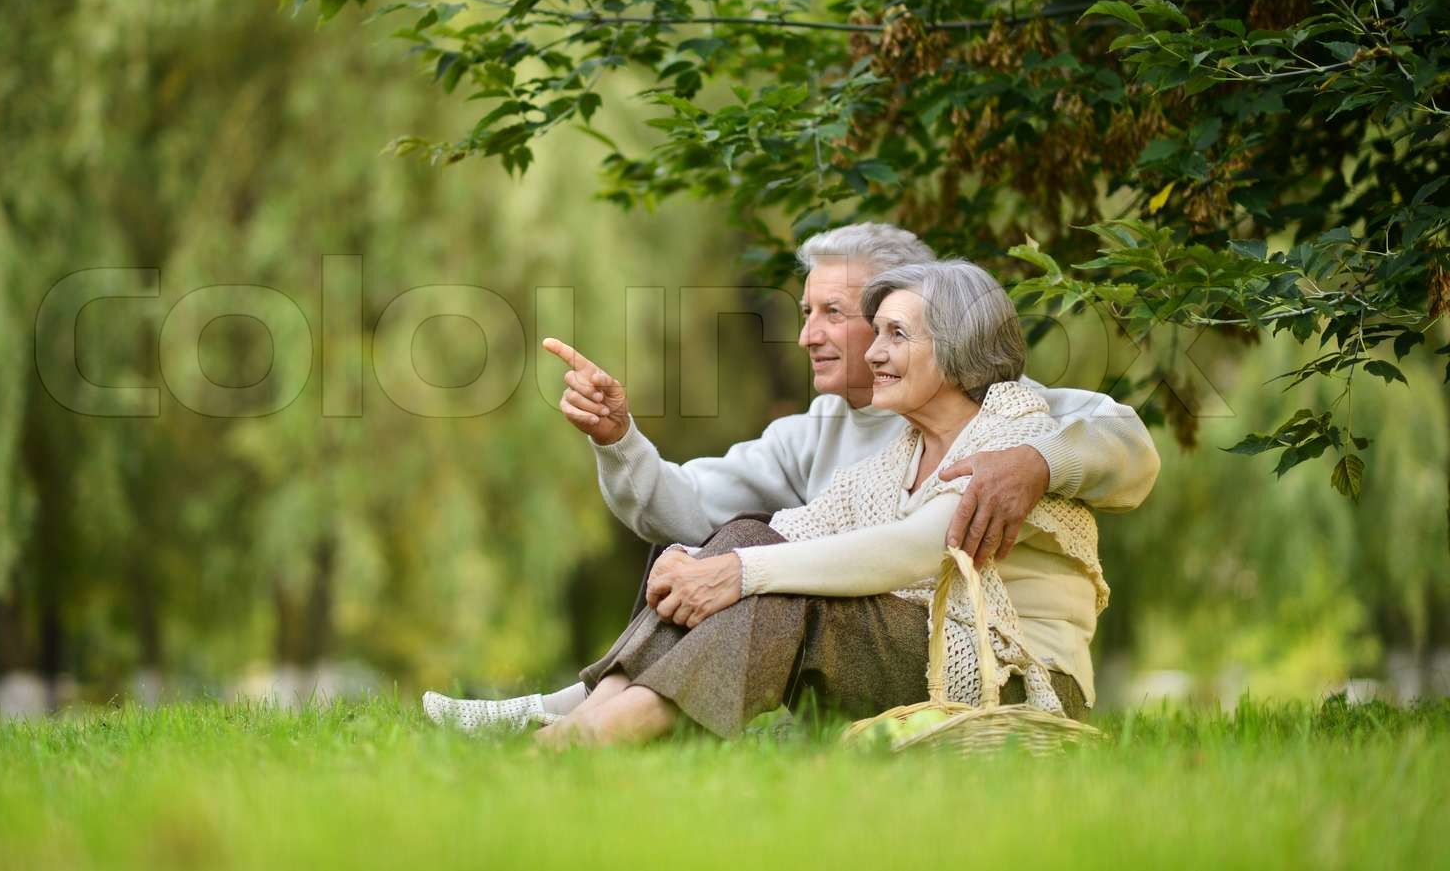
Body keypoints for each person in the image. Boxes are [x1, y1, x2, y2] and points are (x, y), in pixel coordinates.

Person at [422, 223, 1157, 731]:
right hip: (879, 640)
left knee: (767, 578)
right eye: (807, 311)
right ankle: (586, 714)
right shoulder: (851, 440)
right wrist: (624, 444)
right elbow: (703, 513)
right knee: (741, 542)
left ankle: (586, 726)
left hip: (992, 658)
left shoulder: (1016, 408)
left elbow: (1126, 447)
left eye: (835, 312)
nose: (807, 334)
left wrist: (1037, 462)